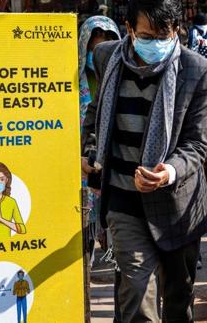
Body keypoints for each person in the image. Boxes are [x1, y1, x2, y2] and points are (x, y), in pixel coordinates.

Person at [83, 0, 207, 323]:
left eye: (164, 35)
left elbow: (197, 145)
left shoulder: (199, 72)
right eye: (146, 35)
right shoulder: (106, 58)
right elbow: (95, 113)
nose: (156, 43)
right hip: (124, 200)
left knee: (178, 301)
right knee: (137, 292)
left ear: (177, 31)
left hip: (177, 204)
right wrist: (89, 149)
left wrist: (167, 172)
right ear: (129, 29)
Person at [78, 16, 120, 271]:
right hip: (83, 158)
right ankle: (85, 264)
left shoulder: (120, 77)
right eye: (95, 46)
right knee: (86, 214)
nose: (100, 52)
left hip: (114, 155)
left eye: (107, 44)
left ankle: (117, 259)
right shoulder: (72, 82)